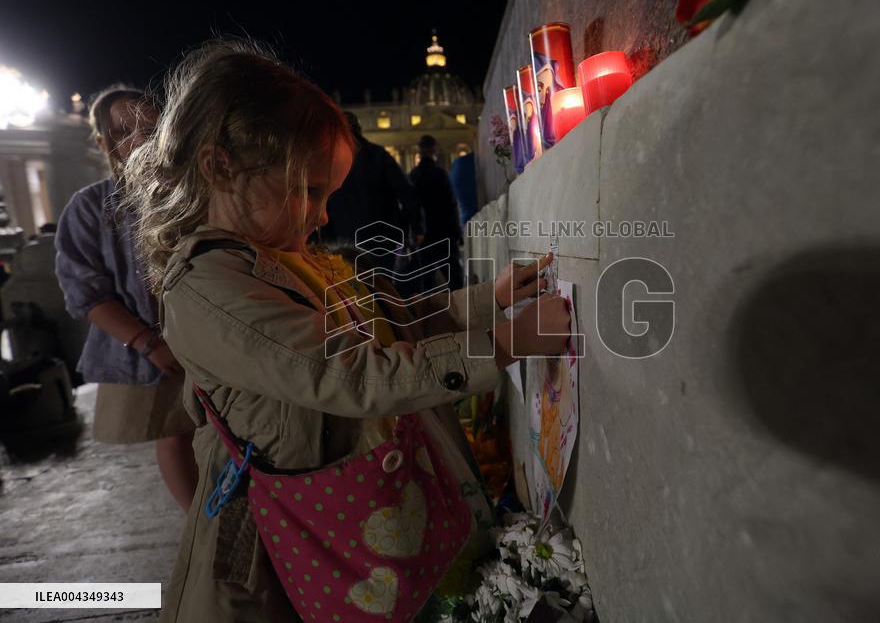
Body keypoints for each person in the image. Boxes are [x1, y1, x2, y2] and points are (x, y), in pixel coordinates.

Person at [121, 38, 569, 622]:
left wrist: (493, 300)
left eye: (328, 194)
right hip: (283, 543)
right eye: (308, 190)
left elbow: (392, 324)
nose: (324, 214)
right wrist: (505, 344)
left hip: (351, 517)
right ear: (219, 166)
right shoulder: (206, 287)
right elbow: (348, 373)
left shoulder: (284, 254)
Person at [54, 85, 198, 510]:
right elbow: (85, 292)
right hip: (156, 349)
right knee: (174, 434)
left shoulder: (192, 194)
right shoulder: (90, 207)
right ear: (104, 143)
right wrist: (147, 342)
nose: (141, 139)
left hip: (207, 338)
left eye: (151, 127)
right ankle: (199, 526)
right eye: (124, 130)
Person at [319, 111, 423, 249]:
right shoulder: (378, 155)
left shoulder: (329, 159)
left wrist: (325, 235)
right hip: (382, 234)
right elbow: (407, 193)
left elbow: (322, 199)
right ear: (359, 129)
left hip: (344, 237)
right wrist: (415, 227)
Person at [409, 135, 464, 292]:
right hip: (444, 233)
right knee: (455, 280)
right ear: (435, 151)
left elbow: (409, 208)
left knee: (427, 284)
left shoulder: (413, 175)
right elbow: (451, 205)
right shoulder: (440, 174)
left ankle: (430, 308)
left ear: (419, 152)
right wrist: (457, 232)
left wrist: (413, 234)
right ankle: (458, 306)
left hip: (423, 237)